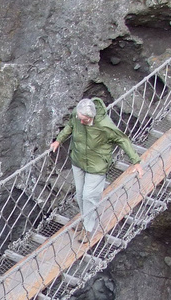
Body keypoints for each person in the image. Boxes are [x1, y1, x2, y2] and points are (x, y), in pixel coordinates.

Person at [50, 98, 140, 233]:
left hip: (97, 165)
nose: (81, 122)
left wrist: (136, 161)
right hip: (78, 160)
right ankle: (85, 218)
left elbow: (122, 139)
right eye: (79, 118)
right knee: (80, 194)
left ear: (91, 117)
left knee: (89, 197)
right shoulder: (77, 114)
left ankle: (88, 228)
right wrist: (58, 140)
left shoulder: (104, 125)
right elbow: (71, 125)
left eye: (84, 120)